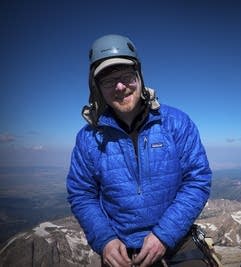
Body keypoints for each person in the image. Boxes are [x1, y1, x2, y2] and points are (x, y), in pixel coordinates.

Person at [66, 34, 213, 267]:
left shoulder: (175, 123)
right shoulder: (88, 139)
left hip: (177, 239)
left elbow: (197, 179)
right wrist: (105, 240)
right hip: (121, 250)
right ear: (97, 89)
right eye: (108, 81)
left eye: (127, 76)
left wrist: (164, 235)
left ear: (140, 77)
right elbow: (82, 194)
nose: (120, 87)